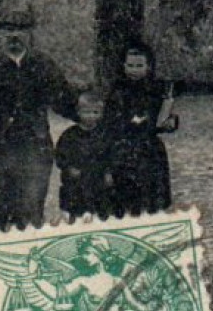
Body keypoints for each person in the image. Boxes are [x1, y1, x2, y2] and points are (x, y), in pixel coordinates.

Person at [0, 10, 80, 230]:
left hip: (33, 154)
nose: (14, 36)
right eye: (8, 30)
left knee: (30, 216)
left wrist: (97, 115)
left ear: (30, 35)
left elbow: (65, 101)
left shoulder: (43, 64)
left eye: (21, 30)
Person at [101, 41, 178, 216]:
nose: (134, 70)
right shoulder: (117, 92)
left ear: (148, 67)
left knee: (153, 205)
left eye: (139, 66)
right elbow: (108, 125)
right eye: (131, 65)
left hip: (150, 154)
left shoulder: (157, 90)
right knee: (123, 204)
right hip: (123, 153)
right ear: (124, 66)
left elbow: (163, 119)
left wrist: (170, 123)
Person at [54, 91, 110, 219]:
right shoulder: (70, 134)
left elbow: (109, 154)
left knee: (98, 204)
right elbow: (60, 154)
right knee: (73, 205)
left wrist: (108, 171)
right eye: (86, 112)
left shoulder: (103, 134)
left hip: (96, 177)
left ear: (101, 114)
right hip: (75, 178)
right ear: (78, 112)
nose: (91, 116)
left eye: (95, 112)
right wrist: (68, 167)